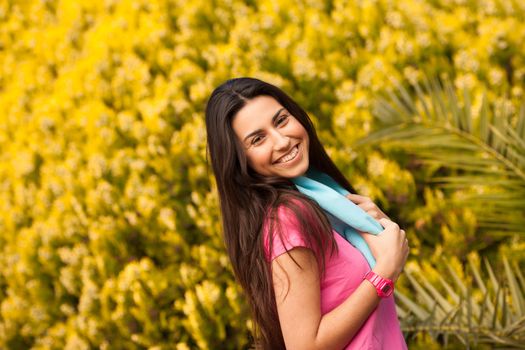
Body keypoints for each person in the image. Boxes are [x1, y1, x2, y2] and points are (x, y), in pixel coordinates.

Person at [205, 77, 409, 349]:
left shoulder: (324, 196)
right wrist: (383, 274)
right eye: (258, 139)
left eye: (281, 121)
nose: (282, 141)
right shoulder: (289, 218)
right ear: (240, 161)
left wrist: (375, 225)